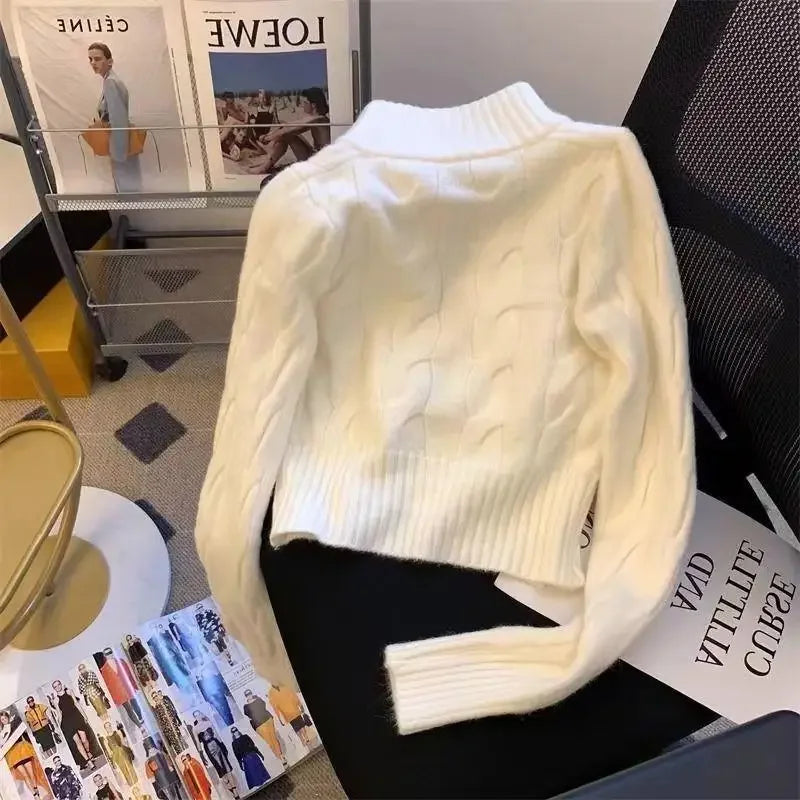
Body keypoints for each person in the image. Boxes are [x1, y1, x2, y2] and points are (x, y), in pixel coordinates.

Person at [88, 42, 141, 192]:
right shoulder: (109, 80)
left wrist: (118, 155)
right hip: (120, 144)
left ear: (109, 61)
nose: (93, 63)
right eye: (90, 59)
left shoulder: (111, 82)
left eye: (97, 59)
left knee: (126, 187)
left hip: (120, 145)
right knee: (127, 185)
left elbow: (118, 120)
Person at [247, 87, 330, 175]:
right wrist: (270, 134)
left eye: (305, 103)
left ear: (313, 105)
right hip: (315, 156)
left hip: (319, 163)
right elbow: (291, 126)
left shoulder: (319, 119)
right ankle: (266, 163)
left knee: (286, 134)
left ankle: (264, 167)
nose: (303, 105)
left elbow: (291, 128)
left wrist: (268, 138)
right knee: (286, 130)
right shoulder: (316, 119)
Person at [49, 680, 98, 770]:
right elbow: (59, 714)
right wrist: (59, 727)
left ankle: (88, 752)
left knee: (84, 740)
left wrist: (84, 715)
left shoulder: (69, 692)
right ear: (54, 689)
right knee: (78, 742)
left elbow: (76, 703)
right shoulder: (55, 700)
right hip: (67, 722)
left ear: (61, 684)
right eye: (55, 686)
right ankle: (89, 762)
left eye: (58, 684)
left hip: (76, 717)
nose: (58, 687)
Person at [96, 648, 145, 729]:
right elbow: (108, 685)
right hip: (119, 692)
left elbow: (129, 674)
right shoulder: (104, 670)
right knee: (129, 709)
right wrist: (113, 698)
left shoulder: (121, 662)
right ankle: (140, 727)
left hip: (127, 687)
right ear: (105, 656)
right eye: (107, 654)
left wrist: (134, 685)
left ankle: (141, 718)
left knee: (135, 704)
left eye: (110, 652)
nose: (109, 655)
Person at [194, 715, 239, 799]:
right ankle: (230, 785)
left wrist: (223, 745)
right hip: (209, 748)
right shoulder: (196, 728)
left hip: (216, 744)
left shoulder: (207, 723)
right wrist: (201, 755)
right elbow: (198, 742)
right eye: (196, 715)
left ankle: (234, 789)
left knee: (225, 765)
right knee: (219, 767)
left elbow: (216, 734)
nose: (198, 716)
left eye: (199, 714)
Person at [242, 689, 285, 766]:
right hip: (259, 726)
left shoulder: (258, 700)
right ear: (246, 696)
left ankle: (281, 757)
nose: (249, 696)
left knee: (274, 738)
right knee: (269, 741)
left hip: (267, 720)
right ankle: (279, 757)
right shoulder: (246, 707)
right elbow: (249, 716)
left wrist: (256, 698)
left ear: (251, 693)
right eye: (247, 695)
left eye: (250, 694)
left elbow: (263, 707)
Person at [4, 732, 52, 799]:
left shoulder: (13, 726)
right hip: (13, 755)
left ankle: (36, 791)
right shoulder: (2, 733)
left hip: (23, 751)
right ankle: (35, 795)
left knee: (31, 774)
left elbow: (24, 732)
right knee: (25, 776)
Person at [100, 721, 138, 787]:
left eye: (109, 726)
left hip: (123, 751)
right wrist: (113, 761)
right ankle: (131, 783)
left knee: (130, 766)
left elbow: (123, 742)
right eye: (107, 727)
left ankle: (136, 780)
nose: (109, 728)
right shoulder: (105, 739)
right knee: (123, 769)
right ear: (105, 729)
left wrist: (128, 750)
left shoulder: (118, 732)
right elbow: (109, 751)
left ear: (111, 726)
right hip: (116, 755)